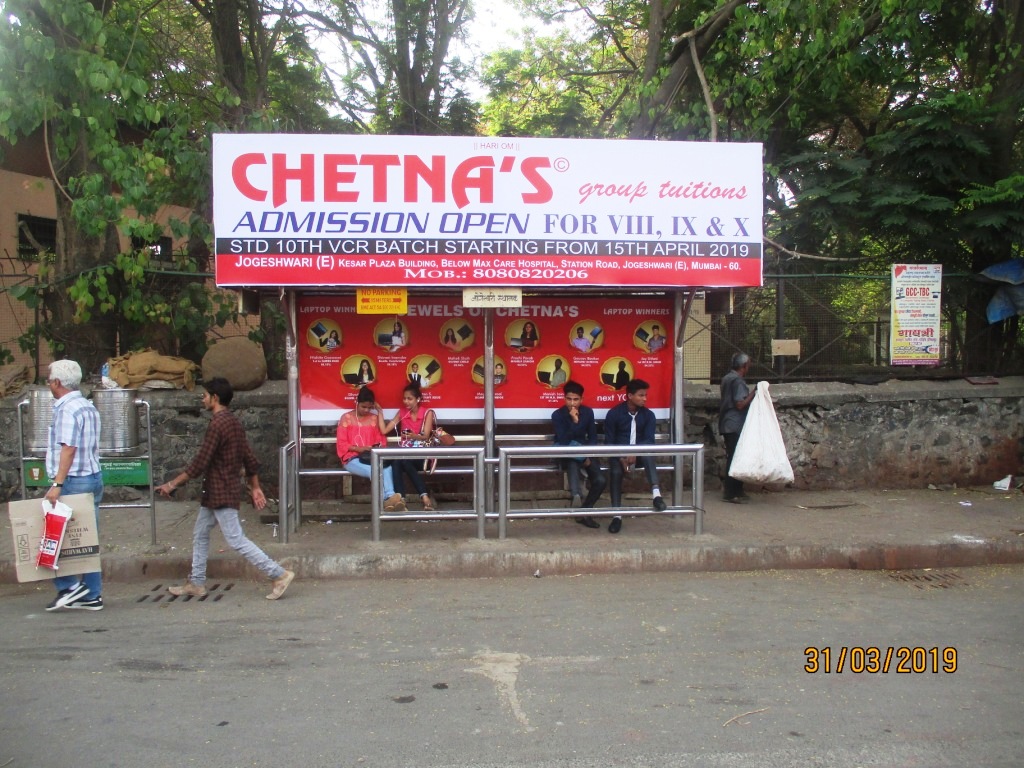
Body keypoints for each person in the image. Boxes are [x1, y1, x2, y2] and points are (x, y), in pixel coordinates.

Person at [157, 378, 295, 600]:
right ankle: (197, 582)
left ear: (215, 398)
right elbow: (249, 458)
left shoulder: (218, 425)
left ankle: (278, 574)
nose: (202, 399)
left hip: (220, 491)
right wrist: (255, 487)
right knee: (200, 534)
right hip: (216, 491)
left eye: (205, 395)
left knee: (236, 539)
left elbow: (200, 462)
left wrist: (173, 483)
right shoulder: (234, 422)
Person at [43, 360, 105, 612]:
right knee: (88, 538)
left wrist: (57, 483)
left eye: (49, 379)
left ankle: (69, 586)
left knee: (56, 537)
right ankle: (92, 593)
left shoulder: (67, 409)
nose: (48, 383)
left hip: (74, 479)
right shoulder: (87, 406)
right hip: (92, 475)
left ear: (57, 383)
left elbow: (68, 449)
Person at [604, 378, 666, 533]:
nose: (645, 398)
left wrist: (635, 452)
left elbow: (649, 440)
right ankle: (616, 516)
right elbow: (609, 442)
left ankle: (656, 495)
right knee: (615, 472)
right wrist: (621, 456)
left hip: (640, 455)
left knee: (648, 454)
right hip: (618, 456)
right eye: (641, 395)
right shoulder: (614, 414)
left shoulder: (648, 415)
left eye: (645, 395)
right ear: (630, 396)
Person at [336, 386, 406, 512]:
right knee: (374, 470)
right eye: (363, 406)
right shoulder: (346, 418)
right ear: (357, 403)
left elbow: (381, 441)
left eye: (369, 407)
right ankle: (388, 500)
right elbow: (341, 444)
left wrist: (379, 412)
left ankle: (389, 499)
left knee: (387, 467)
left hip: (371, 457)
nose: (366, 410)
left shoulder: (374, 419)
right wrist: (360, 449)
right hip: (351, 459)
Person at [551, 381, 607, 529]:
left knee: (600, 480)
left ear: (581, 399)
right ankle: (577, 496)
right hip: (566, 453)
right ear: (564, 398)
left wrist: (587, 454)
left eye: (575, 399)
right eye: (569, 399)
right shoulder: (557, 415)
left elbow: (593, 437)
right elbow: (563, 441)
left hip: (585, 452)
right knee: (571, 459)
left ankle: (583, 509)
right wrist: (574, 421)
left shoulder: (588, 412)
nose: (572, 403)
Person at [383, 383, 436, 511]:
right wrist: (379, 412)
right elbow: (385, 430)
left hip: (422, 457)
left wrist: (413, 436)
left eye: (409, 399)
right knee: (398, 462)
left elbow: (426, 435)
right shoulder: (402, 412)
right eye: (404, 398)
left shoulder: (427, 413)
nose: (406, 402)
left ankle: (414, 498)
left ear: (418, 399)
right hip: (405, 456)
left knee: (402, 461)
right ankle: (406, 500)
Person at [719, 352, 756, 503]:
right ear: (744, 366)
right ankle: (731, 492)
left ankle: (736, 490)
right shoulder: (738, 381)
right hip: (735, 424)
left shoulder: (727, 378)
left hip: (727, 422)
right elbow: (740, 404)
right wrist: (754, 393)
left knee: (733, 456)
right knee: (735, 458)